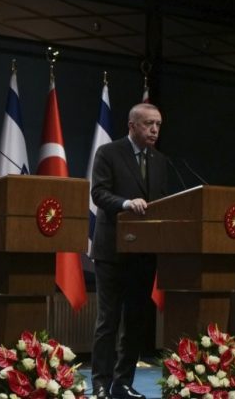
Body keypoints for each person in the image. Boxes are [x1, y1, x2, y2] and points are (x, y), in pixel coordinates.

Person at [89, 103, 170, 399]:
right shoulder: (109, 153)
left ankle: (122, 383)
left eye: (158, 124)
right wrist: (125, 203)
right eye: (149, 124)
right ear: (132, 125)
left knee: (135, 321)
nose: (154, 130)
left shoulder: (160, 161)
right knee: (108, 320)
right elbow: (98, 193)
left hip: (144, 253)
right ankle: (100, 383)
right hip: (112, 251)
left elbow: (163, 202)